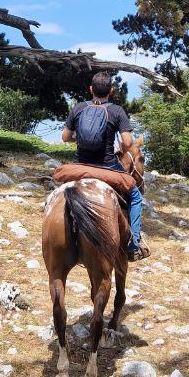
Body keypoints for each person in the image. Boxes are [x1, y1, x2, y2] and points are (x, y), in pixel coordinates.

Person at [62, 71, 149, 261]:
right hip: (107, 168)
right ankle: (134, 244)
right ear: (111, 91)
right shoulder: (117, 111)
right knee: (135, 195)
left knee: (59, 193)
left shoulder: (78, 108)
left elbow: (65, 138)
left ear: (91, 89)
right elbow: (127, 143)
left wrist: (80, 138)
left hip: (79, 165)